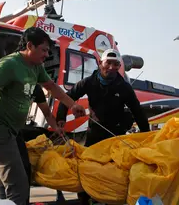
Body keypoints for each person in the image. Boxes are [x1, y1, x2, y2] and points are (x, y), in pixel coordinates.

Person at [0, 27, 86, 205]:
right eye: (44, 50)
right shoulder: (10, 64)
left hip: (12, 133)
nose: (47, 55)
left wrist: (73, 104)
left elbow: (52, 87)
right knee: (19, 186)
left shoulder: (36, 68)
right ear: (30, 45)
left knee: (6, 187)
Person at [56, 48, 150, 205]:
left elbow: (138, 111)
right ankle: (84, 199)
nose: (112, 67)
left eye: (116, 64)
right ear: (100, 63)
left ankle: (109, 199)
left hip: (116, 134)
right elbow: (67, 97)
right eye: (108, 63)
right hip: (95, 132)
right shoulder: (89, 82)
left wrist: (147, 136)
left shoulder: (124, 86)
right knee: (86, 167)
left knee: (113, 173)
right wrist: (60, 119)